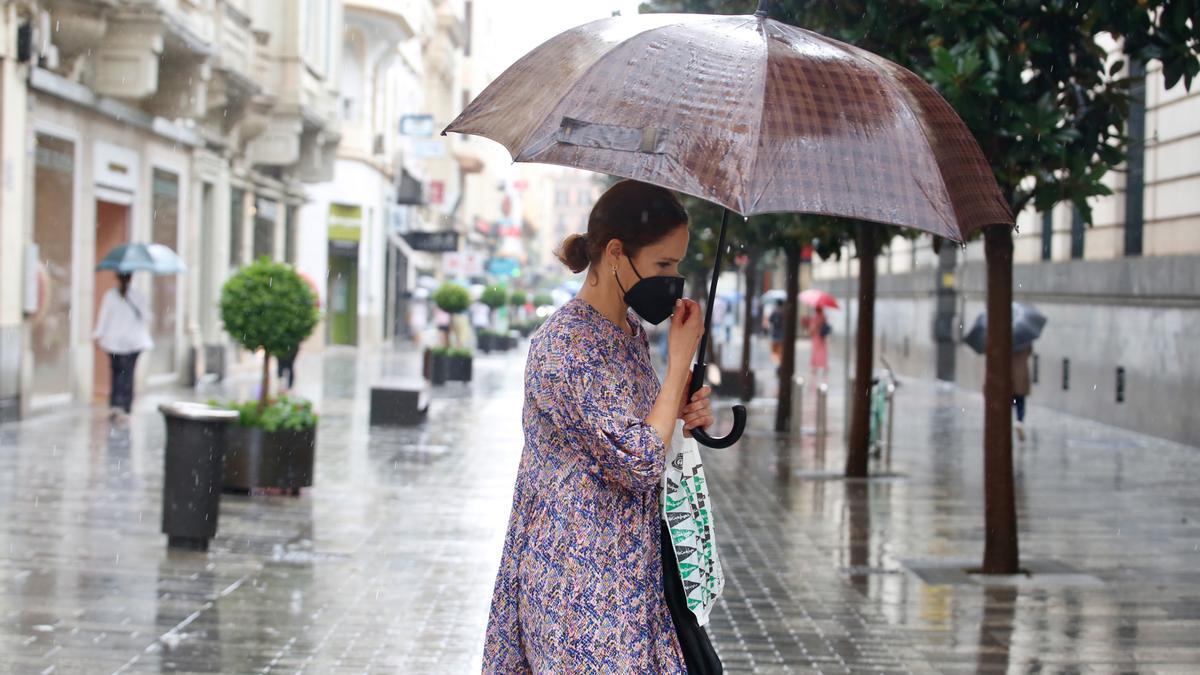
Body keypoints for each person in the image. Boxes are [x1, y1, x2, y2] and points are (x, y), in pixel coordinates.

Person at [484, 180, 721, 674]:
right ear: (616, 253)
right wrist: (678, 364)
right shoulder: (565, 345)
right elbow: (636, 461)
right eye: (663, 265)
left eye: (677, 265)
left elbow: (636, 431)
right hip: (577, 585)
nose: (674, 278)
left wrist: (680, 408)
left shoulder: (627, 332)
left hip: (631, 575)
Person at [92, 272, 153, 420]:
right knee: (127, 374)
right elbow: (147, 317)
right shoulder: (136, 296)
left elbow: (103, 317)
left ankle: (117, 405)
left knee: (117, 373)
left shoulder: (112, 296)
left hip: (117, 342)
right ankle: (123, 406)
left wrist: (97, 334)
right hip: (129, 342)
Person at [804, 305, 830, 381]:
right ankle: (824, 366)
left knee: (815, 352)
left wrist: (810, 329)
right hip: (822, 338)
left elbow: (812, 328)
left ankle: (814, 367)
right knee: (823, 352)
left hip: (816, 337)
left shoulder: (815, 318)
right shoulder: (824, 317)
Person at [1013, 346, 1032, 442]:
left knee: (1012, 401)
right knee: (1021, 402)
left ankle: (1010, 424)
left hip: (1011, 375)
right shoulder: (1025, 341)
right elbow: (1029, 352)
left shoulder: (1007, 340)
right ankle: (1019, 421)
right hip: (1022, 374)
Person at [768, 301, 785, 365]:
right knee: (780, 348)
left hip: (775, 333)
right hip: (781, 333)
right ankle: (780, 360)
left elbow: (770, 320)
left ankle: (777, 361)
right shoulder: (784, 312)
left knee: (775, 349)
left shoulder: (774, 312)